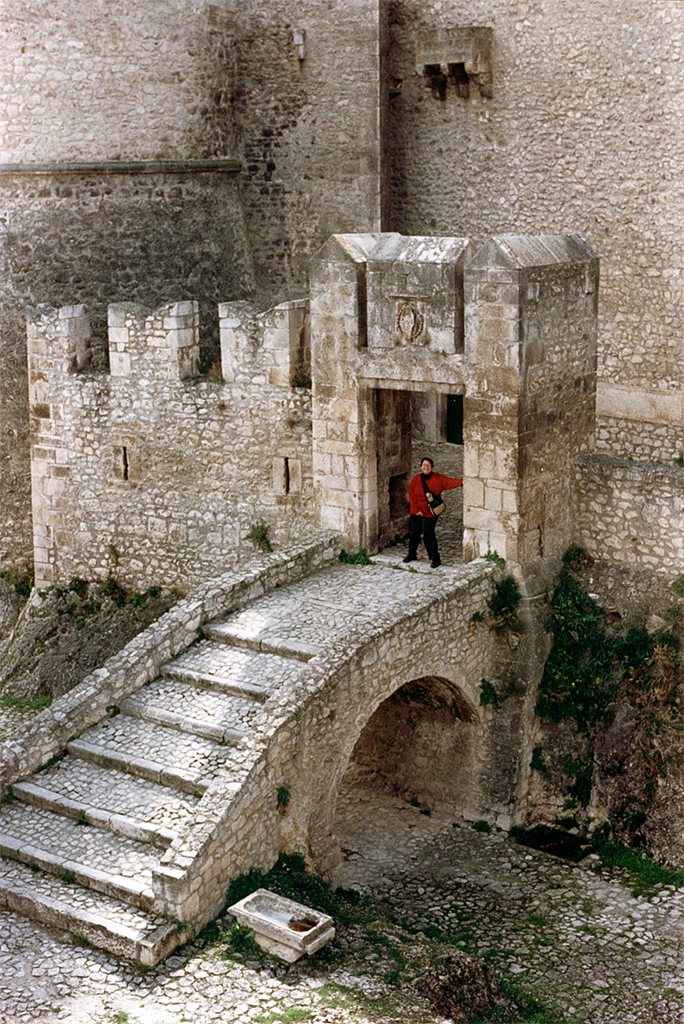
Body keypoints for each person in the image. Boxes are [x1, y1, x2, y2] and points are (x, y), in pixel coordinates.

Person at [404, 457, 463, 568]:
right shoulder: (416, 479)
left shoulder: (438, 479)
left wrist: (462, 482)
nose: (425, 467)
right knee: (414, 533)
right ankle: (412, 554)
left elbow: (449, 482)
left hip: (430, 512)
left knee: (428, 534)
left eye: (428, 465)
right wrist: (416, 510)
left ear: (432, 467)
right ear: (421, 467)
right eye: (424, 465)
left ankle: (435, 558)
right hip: (417, 511)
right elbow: (411, 494)